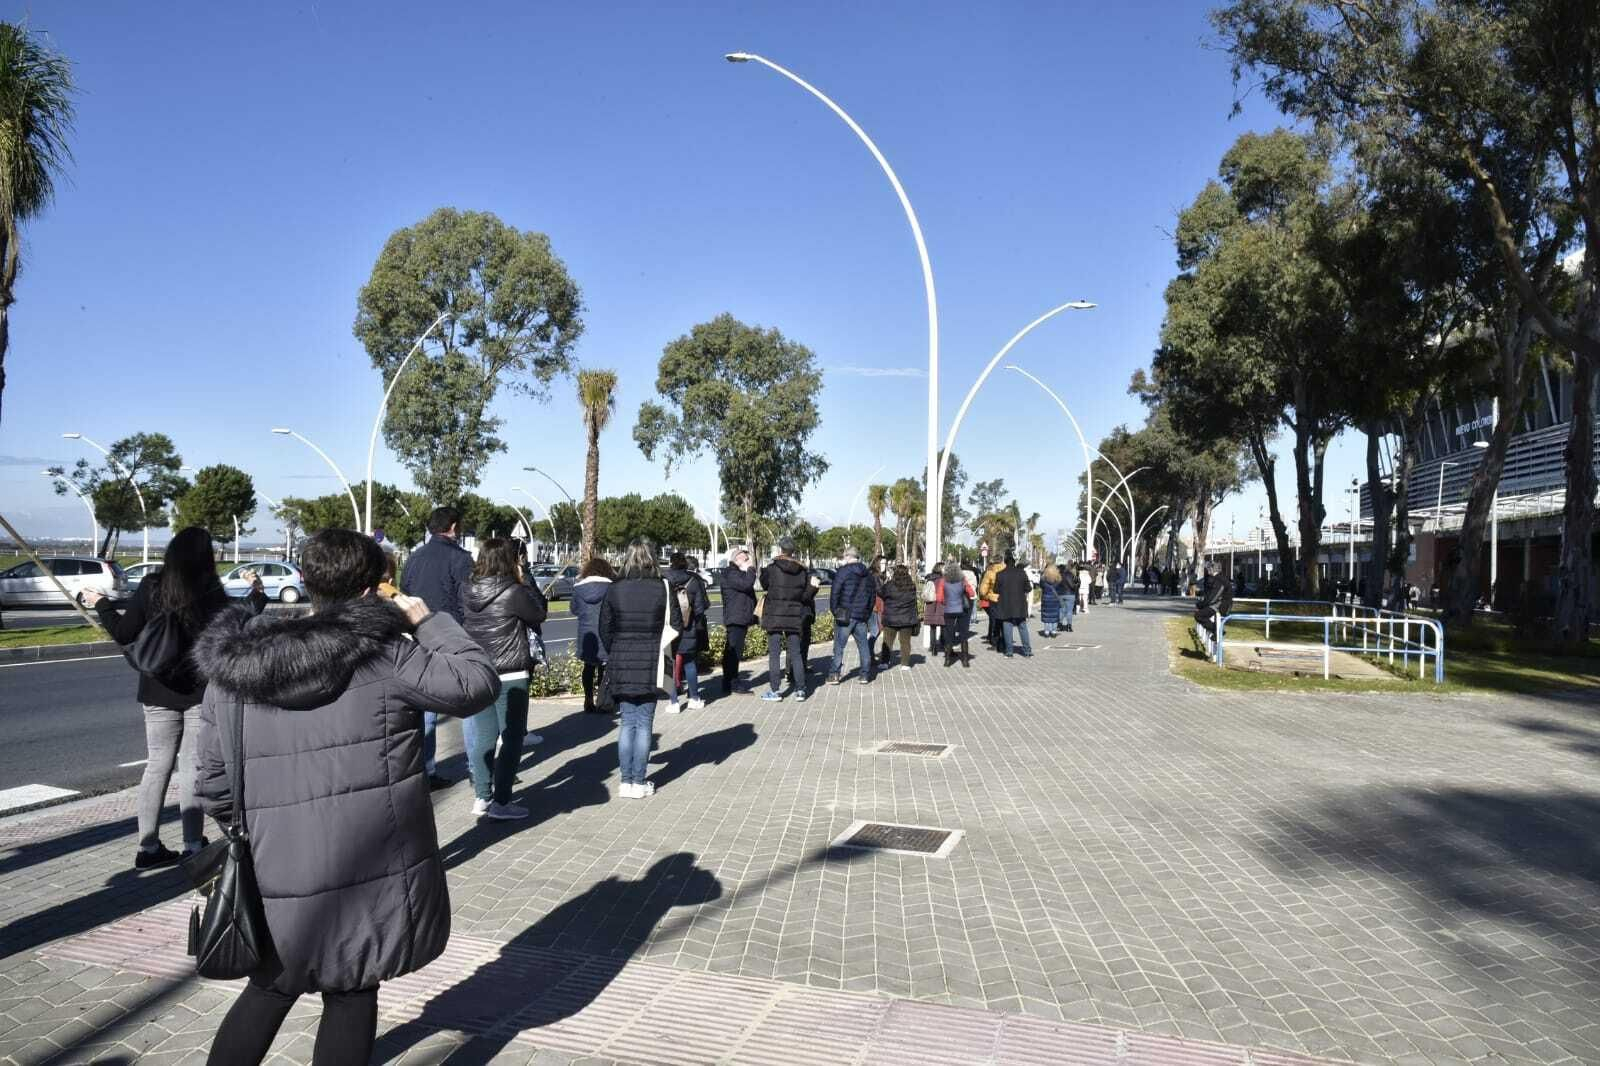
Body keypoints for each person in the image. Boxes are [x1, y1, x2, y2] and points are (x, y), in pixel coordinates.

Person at [193, 528, 499, 1065]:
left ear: (306, 582)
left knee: (270, 986)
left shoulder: (235, 668)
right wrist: (427, 620)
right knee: (353, 990)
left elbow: (214, 785)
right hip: (371, 864)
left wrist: (262, 828)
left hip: (273, 865)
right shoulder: (387, 656)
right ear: (370, 590)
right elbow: (474, 682)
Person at [85, 527, 265, 869]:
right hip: (200, 691)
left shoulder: (153, 586)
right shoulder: (212, 591)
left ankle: (147, 846)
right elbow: (240, 622)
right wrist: (257, 593)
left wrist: (102, 605)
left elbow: (125, 633)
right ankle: (193, 845)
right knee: (192, 769)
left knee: (157, 765)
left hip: (156, 690)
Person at [460, 537, 548, 821]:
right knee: (511, 738)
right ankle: (501, 801)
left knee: (484, 737)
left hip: (480, 670)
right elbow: (539, 612)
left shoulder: (468, 589)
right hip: (512, 673)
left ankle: (481, 797)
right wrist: (526, 579)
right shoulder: (514, 591)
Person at [599, 540, 683, 799]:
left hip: (621, 660)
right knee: (644, 722)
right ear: (653, 558)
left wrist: (616, 649)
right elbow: (677, 625)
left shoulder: (614, 588)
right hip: (653, 660)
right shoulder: (663, 587)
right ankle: (639, 780)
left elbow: (604, 627)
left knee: (627, 723)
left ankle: (625, 781)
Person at [399, 506, 475, 789]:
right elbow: (467, 600)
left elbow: (404, 595)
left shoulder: (414, 558)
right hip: (453, 637)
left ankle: (426, 770)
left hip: (419, 637)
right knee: (468, 704)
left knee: (425, 709)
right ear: (454, 527)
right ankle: (476, 767)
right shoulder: (462, 559)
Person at [760, 539, 812, 702]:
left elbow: (764, 585)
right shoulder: (802, 570)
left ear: (780, 549)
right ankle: (800, 690)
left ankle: (775, 691)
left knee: (774, 654)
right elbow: (804, 596)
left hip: (774, 614)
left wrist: (763, 573)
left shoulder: (772, 568)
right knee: (796, 653)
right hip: (794, 614)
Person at [665, 553, 710, 711]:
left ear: (670, 563)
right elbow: (700, 608)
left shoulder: (664, 579)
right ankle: (694, 698)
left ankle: (674, 702)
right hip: (688, 626)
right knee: (690, 663)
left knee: (669, 665)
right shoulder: (694, 580)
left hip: (669, 627)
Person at [827, 546, 876, 685]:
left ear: (848, 556)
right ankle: (865, 675)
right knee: (863, 646)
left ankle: (834, 674)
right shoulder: (868, 573)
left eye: (844, 557)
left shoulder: (843, 572)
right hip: (861, 616)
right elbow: (872, 596)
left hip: (844, 616)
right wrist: (866, 613)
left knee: (839, 646)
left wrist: (835, 611)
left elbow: (835, 592)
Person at [572, 558, 615, 713]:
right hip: (606, 631)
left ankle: (588, 700)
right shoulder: (611, 587)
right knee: (605, 667)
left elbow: (574, 609)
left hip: (586, 633)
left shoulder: (578, 588)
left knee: (588, 666)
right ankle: (603, 699)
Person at [718, 548, 758, 694]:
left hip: (740, 617)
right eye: (746, 559)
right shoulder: (731, 573)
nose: (749, 562)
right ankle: (732, 682)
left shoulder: (735, 573)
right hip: (736, 618)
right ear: (737, 559)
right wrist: (751, 569)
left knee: (733, 651)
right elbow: (746, 584)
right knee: (733, 652)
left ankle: (729, 681)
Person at [877, 564, 920, 670]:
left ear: (895, 574)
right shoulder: (911, 586)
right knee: (905, 642)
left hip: (891, 618)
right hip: (907, 619)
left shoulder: (889, 585)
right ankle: (905, 664)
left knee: (887, 641)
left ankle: (884, 662)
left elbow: (880, 593)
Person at [942, 561, 973, 667]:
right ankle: (965, 660)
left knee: (949, 635)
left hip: (948, 610)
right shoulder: (962, 580)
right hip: (961, 610)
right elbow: (972, 593)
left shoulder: (943, 581)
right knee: (963, 634)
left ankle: (947, 660)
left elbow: (939, 597)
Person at [1194, 559, 1234, 640]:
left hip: (1221, 605)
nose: (1207, 569)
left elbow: (1214, 596)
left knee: (1199, 615)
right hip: (1219, 604)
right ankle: (1217, 632)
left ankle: (1218, 631)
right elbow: (1211, 592)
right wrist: (1201, 594)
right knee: (1201, 615)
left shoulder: (1219, 580)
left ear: (1212, 569)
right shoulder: (1217, 578)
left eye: (1208, 568)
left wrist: (1202, 604)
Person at [978, 558, 1005, 646]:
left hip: (993, 599)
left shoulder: (989, 572)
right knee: (1004, 620)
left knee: (994, 620)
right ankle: (1004, 640)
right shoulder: (1006, 571)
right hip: (1005, 599)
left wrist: (986, 596)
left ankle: (994, 641)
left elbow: (982, 590)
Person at [1040, 563, 1064, 637]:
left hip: (1046, 599)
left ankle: (1047, 631)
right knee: (1054, 615)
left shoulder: (1043, 579)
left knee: (1046, 615)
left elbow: (1041, 586)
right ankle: (1053, 631)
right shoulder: (1058, 579)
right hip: (1055, 599)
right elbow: (1060, 590)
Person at [1058, 565, 1077, 630]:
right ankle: (1069, 626)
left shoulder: (1058, 575)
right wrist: (1075, 586)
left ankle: (1059, 625)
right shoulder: (1069, 574)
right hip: (1070, 594)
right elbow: (1072, 585)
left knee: (1061, 610)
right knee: (1069, 611)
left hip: (1060, 594)